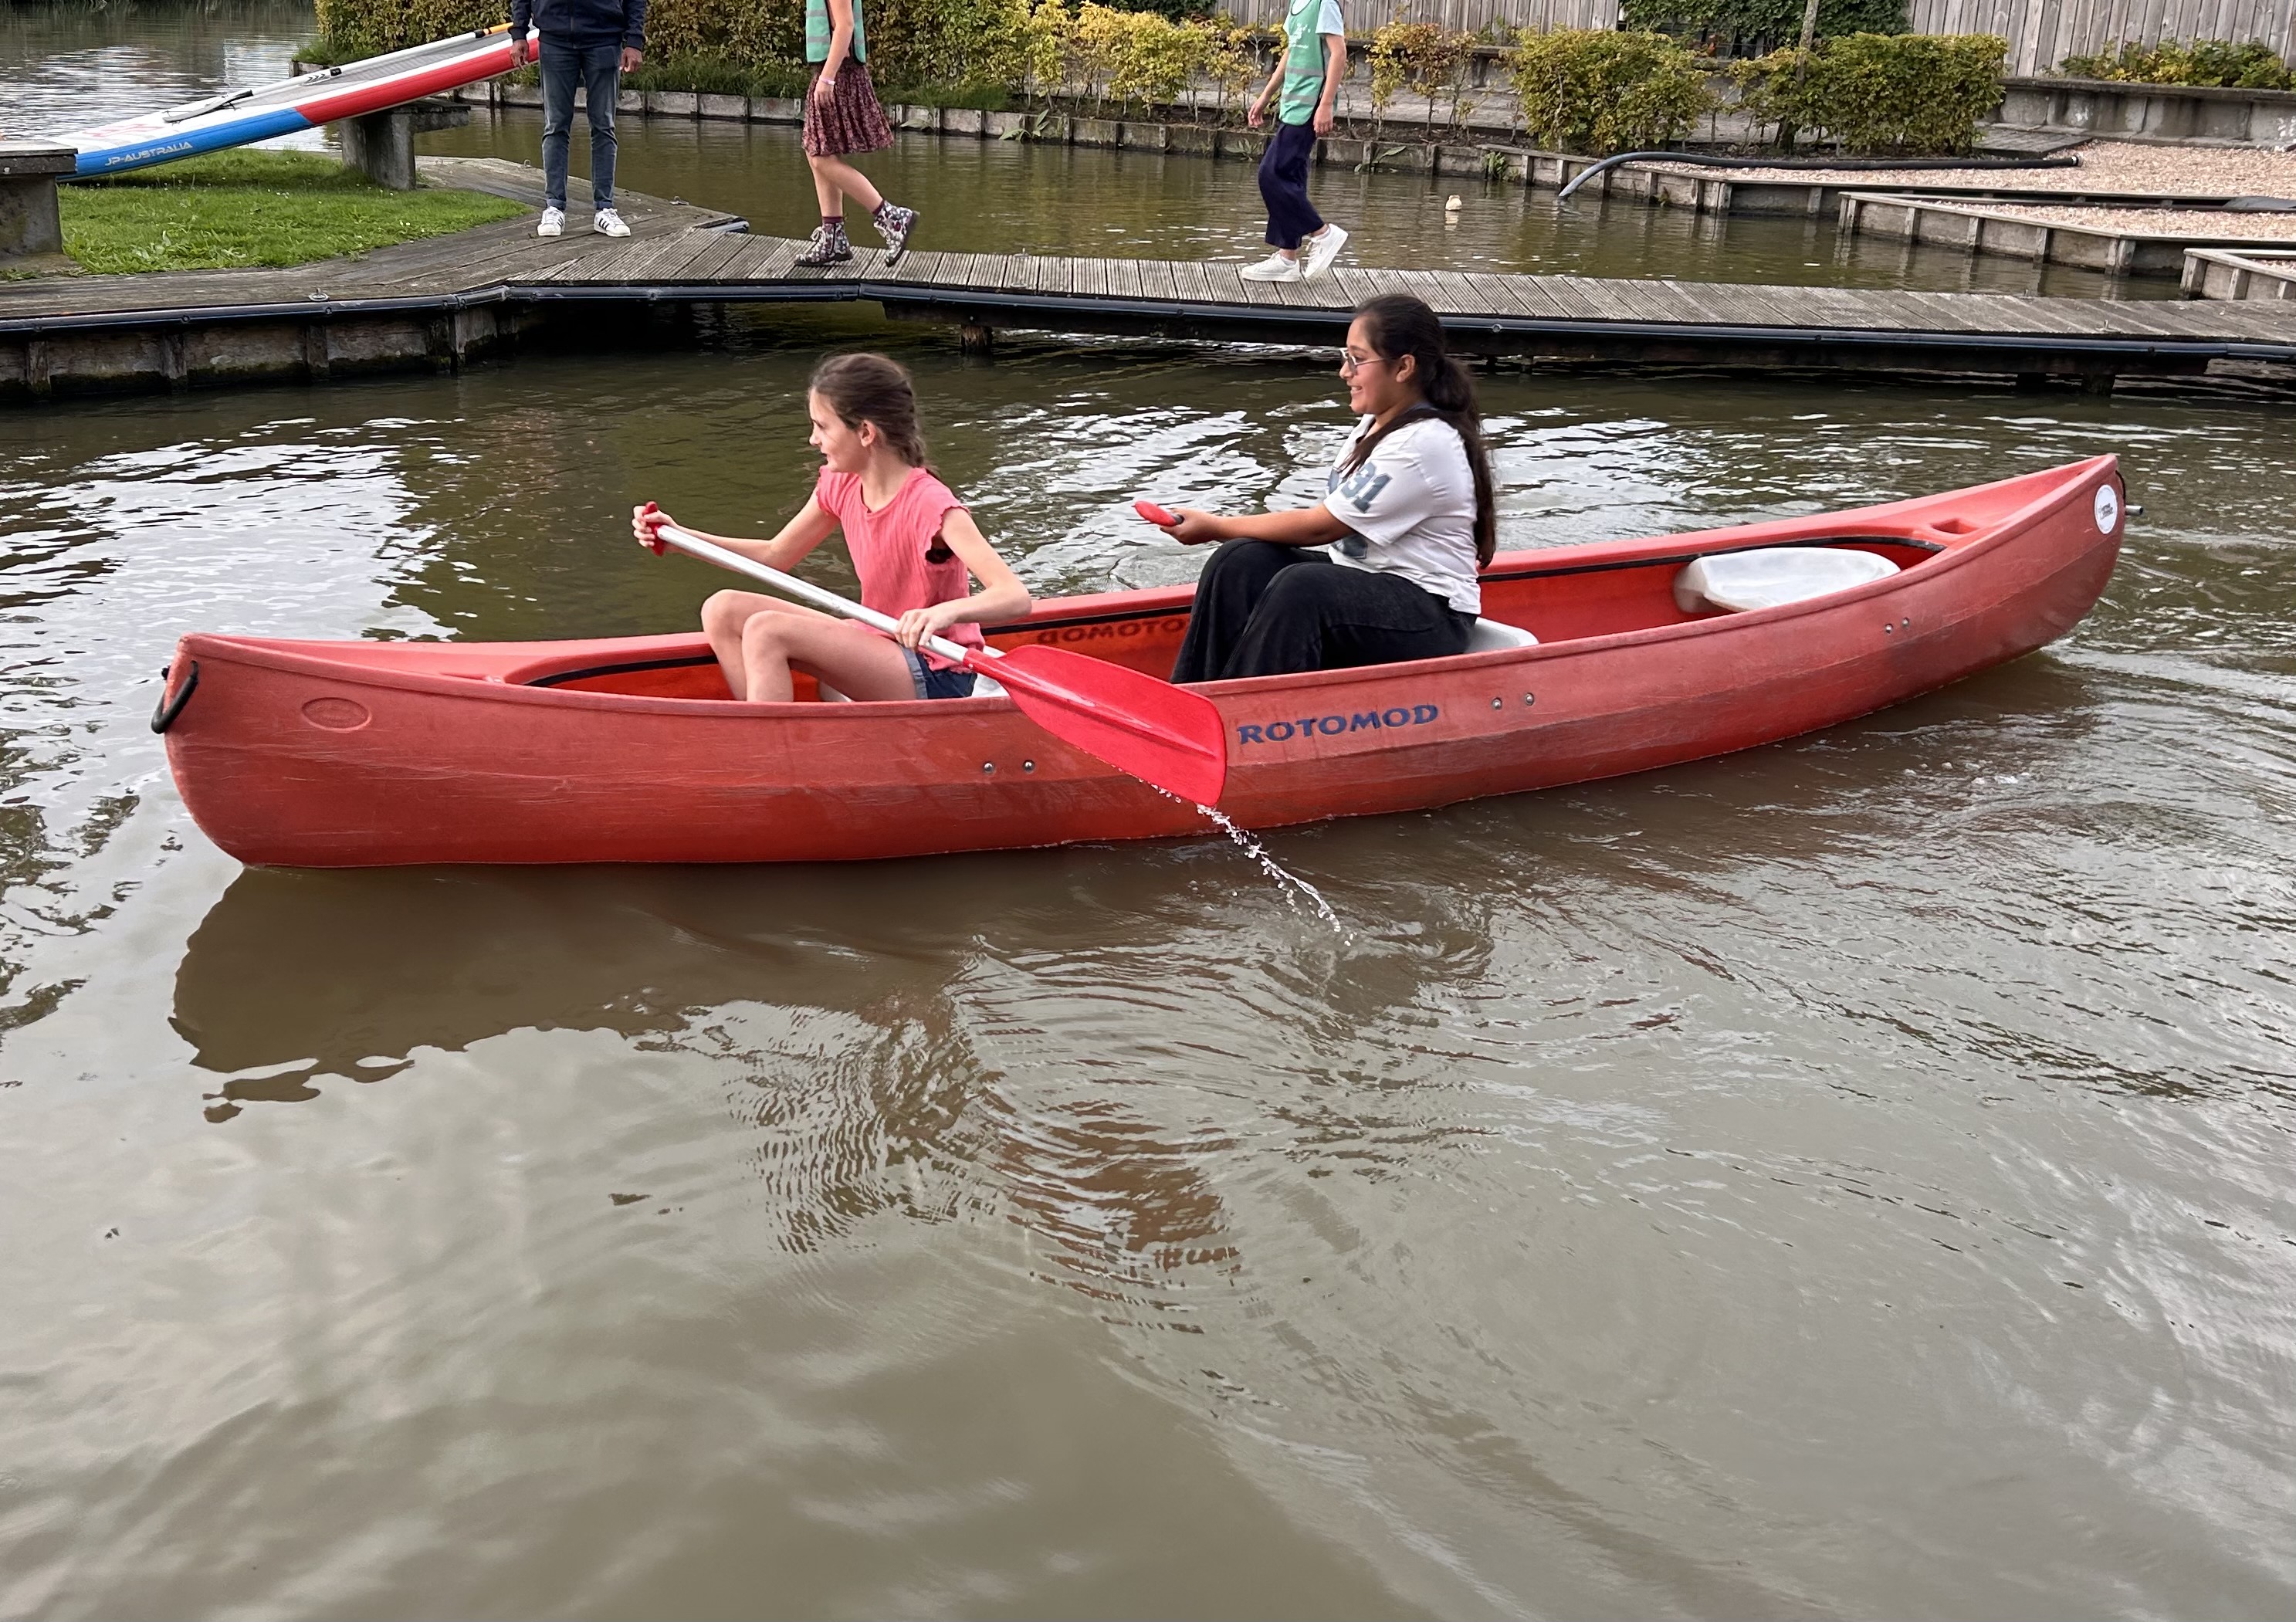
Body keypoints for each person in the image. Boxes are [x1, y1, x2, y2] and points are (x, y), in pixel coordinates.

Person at [632, 353, 1031, 703]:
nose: (813, 439)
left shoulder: (931, 505)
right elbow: (776, 556)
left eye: (822, 427)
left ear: (865, 432)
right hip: (876, 639)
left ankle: (768, 751)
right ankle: (765, 723)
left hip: (934, 669)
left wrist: (946, 612)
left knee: (769, 630)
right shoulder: (840, 483)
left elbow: (1014, 597)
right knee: (723, 609)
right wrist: (682, 539)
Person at [1156, 293, 1495, 682]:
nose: (1344, 372)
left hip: (1432, 613)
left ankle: (1248, 720)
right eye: (1345, 357)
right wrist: (1225, 536)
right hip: (1368, 584)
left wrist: (1215, 525)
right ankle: (1196, 696)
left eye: (1357, 359)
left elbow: (1322, 527)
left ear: (1404, 367)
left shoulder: (1423, 443)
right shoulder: (1374, 425)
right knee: (1240, 562)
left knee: (1303, 588)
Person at [794, 0, 919, 267]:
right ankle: (834, 236)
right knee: (819, 151)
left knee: (820, 156)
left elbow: (845, 26)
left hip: (838, 75)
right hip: (834, 73)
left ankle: (892, 218)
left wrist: (827, 79)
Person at [510, 0, 643, 239]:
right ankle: (554, 206)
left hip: (604, 39)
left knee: (604, 126)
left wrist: (634, 41)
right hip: (554, 40)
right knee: (556, 126)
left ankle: (605, 208)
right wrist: (519, 33)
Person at [1241, 0, 1349, 283]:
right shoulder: (1297, 5)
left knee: (1270, 173)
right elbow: (1290, 54)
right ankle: (1287, 259)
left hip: (1311, 107)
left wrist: (1325, 104)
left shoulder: (1324, 4)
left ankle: (1322, 233)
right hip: (1292, 106)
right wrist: (1266, 96)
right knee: (1290, 178)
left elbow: (1339, 55)